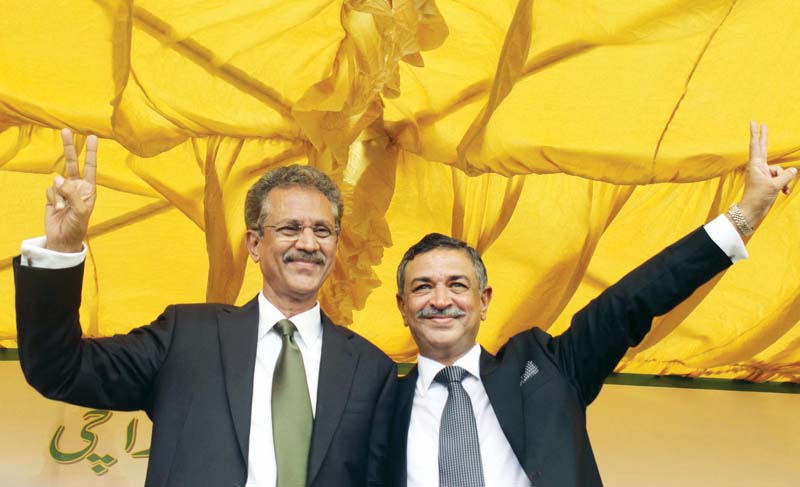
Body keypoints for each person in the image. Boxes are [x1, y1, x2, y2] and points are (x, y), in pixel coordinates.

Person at [388, 122, 797, 487]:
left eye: (457, 285)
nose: (441, 300)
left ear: (484, 302)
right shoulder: (375, 404)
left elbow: (634, 299)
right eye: (423, 287)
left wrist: (744, 215)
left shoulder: (547, 366)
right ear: (403, 308)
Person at [14, 129, 396, 487]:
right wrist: (62, 249)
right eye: (290, 228)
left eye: (323, 230)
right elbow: (60, 369)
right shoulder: (186, 336)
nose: (309, 243)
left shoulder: (371, 370)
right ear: (254, 244)